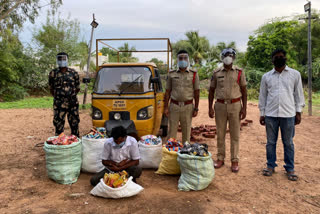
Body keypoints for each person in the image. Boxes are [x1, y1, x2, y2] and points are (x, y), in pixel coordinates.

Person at [259, 49, 305, 181]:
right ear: (272, 60)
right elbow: (263, 97)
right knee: (270, 142)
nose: (279, 58)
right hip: (271, 114)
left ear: (285, 58)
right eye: (276, 57)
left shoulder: (295, 75)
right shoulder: (266, 77)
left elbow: (298, 95)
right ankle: (270, 165)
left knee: (288, 143)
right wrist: (262, 113)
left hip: (288, 114)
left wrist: (298, 112)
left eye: (281, 56)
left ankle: (290, 168)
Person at [208, 48, 247, 173]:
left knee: (235, 134)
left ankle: (234, 160)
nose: (227, 57)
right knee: (220, 133)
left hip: (235, 105)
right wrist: (210, 107)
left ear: (234, 57)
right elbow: (211, 91)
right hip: (220, 105)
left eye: (230, 55)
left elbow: (244, 91)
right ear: (222, 57)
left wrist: (244, 108)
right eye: (225, 55)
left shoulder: (239, 72)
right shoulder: (216, 72)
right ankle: (220, 158)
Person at [164, 50, 200, 143]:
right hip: (174, 106)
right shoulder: (171, 74)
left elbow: (197, 92)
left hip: (188, 107)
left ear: (188, 60)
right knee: (172, 132)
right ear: (177, 60)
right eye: (180, 58)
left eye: (185, 58)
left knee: (187, 132)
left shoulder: (194, 74)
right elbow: (167, 92)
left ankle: (185, 154)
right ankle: (171, 154)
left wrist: (196, 108)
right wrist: (165, 108)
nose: (183, 60)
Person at [48, 52, 80, 137]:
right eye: (60, 59)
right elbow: (51, 88)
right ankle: (59, 145)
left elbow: (77, 88)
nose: (62, 61)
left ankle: (75, 143)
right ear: (57, 60)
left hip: (72, 103)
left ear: (67, 59)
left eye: (63, 59)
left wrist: (70, 96)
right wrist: (59, 97)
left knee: (74, 124)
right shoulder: (53, 73)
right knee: (58, 124)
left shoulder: (74, 73)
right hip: (59, 103)